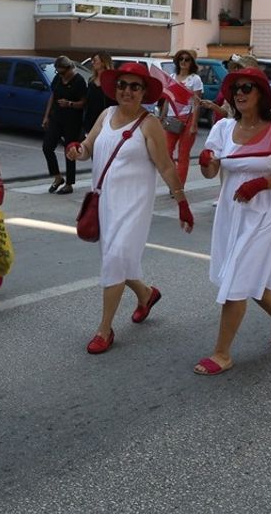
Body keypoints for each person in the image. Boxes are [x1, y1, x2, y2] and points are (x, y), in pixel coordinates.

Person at [66, 62, 193, 355]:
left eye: (135, 86)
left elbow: (165, 165)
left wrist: (182, 202)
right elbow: (86, 147)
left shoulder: (149, 124)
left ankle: (104, 329)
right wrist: (77, 150)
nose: (127, 91)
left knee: (115, 259)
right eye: (122, 84)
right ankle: (146, 295)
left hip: (133, 206)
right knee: (119, 261)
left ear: (144, 91)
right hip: (104, 203)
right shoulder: (106, 114)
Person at [195, 68, 271, 375]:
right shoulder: (223, 128)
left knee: (236, 280)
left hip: (264, 214)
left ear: (261, 94)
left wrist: (260, 184)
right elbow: (211, 172)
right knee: (244, 274)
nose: (240, 93)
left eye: (247, 88)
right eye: (235, 89)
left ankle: (222, 353)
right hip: (231, 213)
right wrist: (207, 163)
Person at [41, 56, 87, 195]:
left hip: (72, 120)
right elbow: (52, 96)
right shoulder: (58, 79)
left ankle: (69, 183)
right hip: (56, 117)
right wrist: (46, 116)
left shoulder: (79, 81)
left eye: (61, 72)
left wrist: (70, 104)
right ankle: (57, 177)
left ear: (69, 69)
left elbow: (84, 102)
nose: (59, 74)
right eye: (57, 72)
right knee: (47, 147)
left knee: (70, 151)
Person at [160, 49, 205, 186]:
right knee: (166, 152)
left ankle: (178, 186)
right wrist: (162, 115)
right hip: (172, 118)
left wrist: (194, 124)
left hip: (188, 117)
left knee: (183, 155)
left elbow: (197, 103)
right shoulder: (172, 76)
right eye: (181, 59)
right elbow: (168, 99)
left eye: (187, 59)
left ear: (192, 62)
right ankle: (173, 180)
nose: (184, 62)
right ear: (177, 61)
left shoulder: (195, 79)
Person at [83, 53, 112, 135]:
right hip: (90, 120)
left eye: (95, 60)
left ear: (103, 62)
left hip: (105, 120)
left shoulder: (111, 81)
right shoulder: (91, 80)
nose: (92, 63)